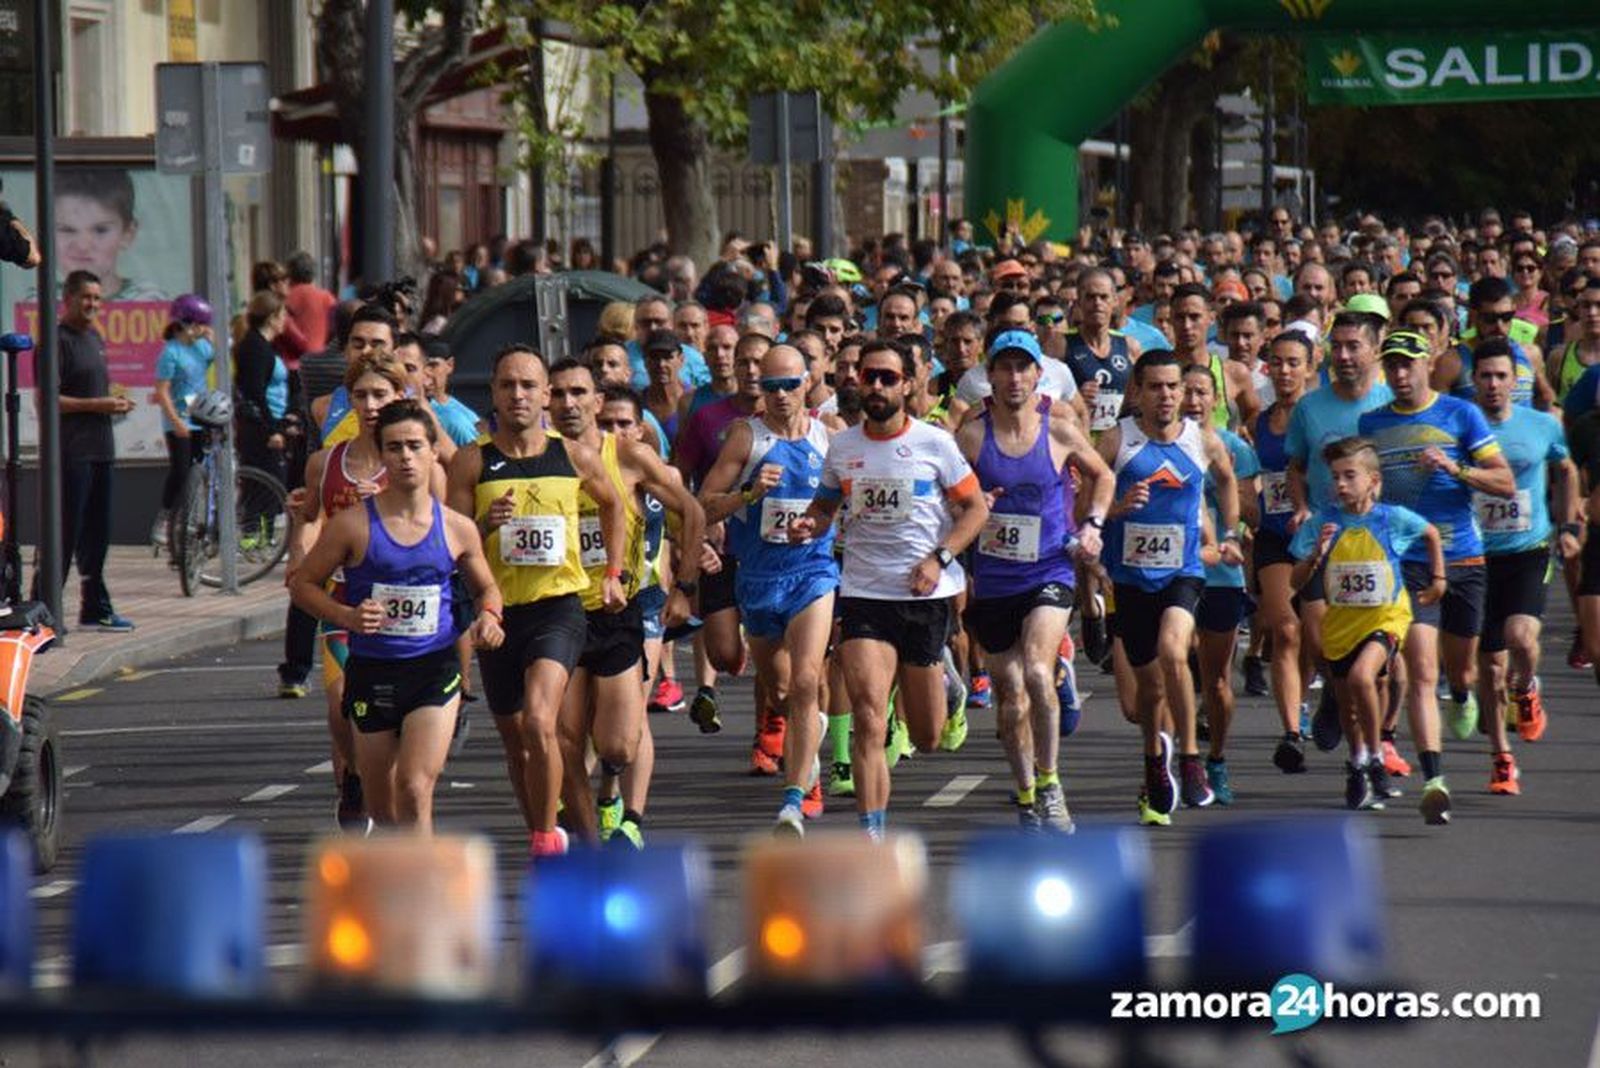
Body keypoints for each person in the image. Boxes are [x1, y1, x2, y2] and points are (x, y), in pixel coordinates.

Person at [790, 338, 987, 840]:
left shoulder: (935, 444)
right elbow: (825, 508)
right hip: (864, 595)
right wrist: (808, 525)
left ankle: (947, 684)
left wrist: (939, 558)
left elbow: (976, 510)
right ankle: (872, 834)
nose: (875, 385)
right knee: (871, 719)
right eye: (867, 376)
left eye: (887, 377)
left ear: (908, 385)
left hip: (924, 597)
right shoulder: (842, 447)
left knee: (927, 735)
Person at [445, 344, 628, 858]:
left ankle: (547, 842)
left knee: (539, 722)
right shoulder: (471, 462)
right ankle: (545, 825)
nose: (519, 395)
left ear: (545, 395)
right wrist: (486, 524)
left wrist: (613, 574)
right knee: (515, 740)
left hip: (558, 607)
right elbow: (452, 543)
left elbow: (614, 504)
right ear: (494, 395)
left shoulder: (571, 455)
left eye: (529, 385)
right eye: (508, 385)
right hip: (499, 613)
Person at [290, 399, 504, 832]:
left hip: (433, 668)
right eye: (394, 448)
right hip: (371, 670)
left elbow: (487, 587)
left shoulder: (456, 527)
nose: (405, 457)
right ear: (383, 456)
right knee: (384, 807)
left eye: (414, 446)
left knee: (413, 786)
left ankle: (423, 894)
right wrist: (346, 616)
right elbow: (302, 585)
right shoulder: (352, 525)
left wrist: (490, 617)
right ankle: (397, 874)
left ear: (431, 451)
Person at [956, 329, 1112, 832]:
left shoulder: (1059, 428)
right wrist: (975, 506)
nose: (1015, 377)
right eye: (1005, 367)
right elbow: (948, 497)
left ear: (1038, 375)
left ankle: (1050, 784)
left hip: (1049, 567)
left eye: (1024, 367)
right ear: (991, 374)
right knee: (1009, 693)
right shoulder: (971, 435)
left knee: (1038, 673)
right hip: (994, 576)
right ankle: (1026, 793)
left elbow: (1102, 475)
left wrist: (1092, 525)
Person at [1358, 329, 1515, 825]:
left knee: (1461, 667)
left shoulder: (1460, 413)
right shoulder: (1372, 423)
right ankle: (1434, 779)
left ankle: (1465, 694)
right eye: (1393, 365)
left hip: (1463, 557)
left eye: (1409, 364)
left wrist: (1456, 467)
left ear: (1428, 363)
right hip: (1407, 560)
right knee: (1423, 670)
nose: (1400, 374)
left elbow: (1505, 482)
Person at [546, 361, 704, 847]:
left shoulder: (630, 458)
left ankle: (611, 792)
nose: (568, 403)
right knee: (566, 740)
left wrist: (684, 588)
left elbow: (691, 511)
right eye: (558, 393)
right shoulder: (540, 457)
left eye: (579, 392)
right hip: (561, 613)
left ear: (596, 401)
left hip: (620, 613)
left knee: (616, 742)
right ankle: (588, 841)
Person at [700, 344, 839, 834]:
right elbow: (703, 507)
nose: (781, 396)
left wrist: (825, 522)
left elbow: (855, 497)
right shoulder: (746, 437)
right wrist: (749, 493)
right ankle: (810, 737)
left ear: (808, 382)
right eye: (771, 387)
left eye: (790, 385)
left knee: (805, 681)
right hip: (758, 580)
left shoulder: (830, 437)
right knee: (781, 691)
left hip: (813, 573)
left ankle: (796, 796)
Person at [1097, 350, 1240, 826]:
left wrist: (1232, 533)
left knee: (1174, 651)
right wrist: (1117, 507)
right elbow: (1084, 505)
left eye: (1173, 387)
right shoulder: (1117, 440)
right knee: (1148, 693)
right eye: (1155, 387)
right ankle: (1154, 762)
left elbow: (1226, 480)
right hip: (1130, 578)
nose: (1166, 396)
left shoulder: (1203, 440)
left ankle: (1190, 758)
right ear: (1137, 391)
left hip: (1183, 570)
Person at [291, 343, 425, 834]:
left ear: (399, 396)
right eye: (361, 395)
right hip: (343, 601)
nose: (370, 406)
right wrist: (300, 556)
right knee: (338, 704)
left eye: (380, 395)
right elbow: (308, 520)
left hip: (401, 603)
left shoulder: (413, 463)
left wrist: (390, 503)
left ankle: (386, 785)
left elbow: (433, 525)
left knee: (394, 717)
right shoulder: (326, 463)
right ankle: (352, 781)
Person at [1289, 437, 1444, 812]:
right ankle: (1359, 761)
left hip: (1386, 617)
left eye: (1350, 476)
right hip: (1341, 624)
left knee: (1362, 678)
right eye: (1335, 477)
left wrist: (1439, 577)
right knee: (1348, 705)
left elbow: (1431, 533)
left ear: (1373, 480)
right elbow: (1295, 581)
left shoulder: (1391, 519)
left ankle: (1374, 756)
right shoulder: (1324, 523)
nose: (1340, 484)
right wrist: (1315, 556)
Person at [1469, 342, 1576, 794]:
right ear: (1473, 381)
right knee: (1489, 668)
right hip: (1475, 556)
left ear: (1516, 381)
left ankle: (1527, 684)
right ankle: (1501, 758)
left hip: (1528, 549)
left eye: (1501, 376)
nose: (1493, 385)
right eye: (1485, 377)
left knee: (1520, 639)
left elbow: (1566, 468)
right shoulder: (1462, 426)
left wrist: (1569, 524)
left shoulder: (1540, 424)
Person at [673, 332, 772, 734]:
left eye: (758, 363)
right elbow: (676, 483)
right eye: (744, 362)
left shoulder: (799, 423)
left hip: (772, 553)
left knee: (777, 657)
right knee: (726, 656)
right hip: (721, 549)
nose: (750, 370)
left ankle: (770, 733)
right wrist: (695, 530)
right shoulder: (707, 418)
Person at [32, 270, 135, 631]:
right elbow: (48, 401)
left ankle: (95, 608)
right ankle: (43, 611)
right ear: (68, 299)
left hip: (101, 449)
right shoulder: (55, 340)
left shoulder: (94, 337)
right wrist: (99, 404)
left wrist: (113, 405)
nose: (92, 304)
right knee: (63, 532)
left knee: (97, 533)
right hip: (71, 452)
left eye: (97, 298)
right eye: (85, 298)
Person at [1181, 362, 1259, 806]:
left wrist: (1232, 535)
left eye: (1201, 393)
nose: (1193, 400)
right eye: (1186, 391)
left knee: (1217, 683)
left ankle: (1218, 759)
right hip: (1175, 571)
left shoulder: (1233, 448)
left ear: (1216, 400)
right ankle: (1178, 759)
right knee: (1179, 655)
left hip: (1222, 573)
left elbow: (1250, 510)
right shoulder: (1163, 444)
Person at [1252, 332, 1316, 772]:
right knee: (1286, 630)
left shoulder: (1319, 417)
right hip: (1274, 535)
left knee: (1319, 636)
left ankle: (1313, 694)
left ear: (1310, 367)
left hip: (1319, 538)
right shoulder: (1259, 420)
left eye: (1294, 362)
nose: (1285, 371)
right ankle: (1292, 732)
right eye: (1277, 363)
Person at [152, 294, 217, 546]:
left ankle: (190, 519)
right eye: (200, 324)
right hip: (178, 421)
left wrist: (214, 341)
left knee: (198, 471)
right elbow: (162, 390)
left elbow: (218, 358)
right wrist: (175, 421)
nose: (203, 329)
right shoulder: (171, 352)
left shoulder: (201, 347)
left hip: (199, 417)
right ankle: (165, 518)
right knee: (180, 471)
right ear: (185, 323)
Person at [51, 168, 166, 301]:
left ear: (128, 234)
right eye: (67, 230)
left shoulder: (149, 302)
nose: (82, 246)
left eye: (100, 230)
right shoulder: (37, 305)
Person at [234, 290, 294, 489]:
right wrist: (271, 430)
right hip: (261, 429)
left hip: (270, 421)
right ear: (272, 318)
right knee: (266, 491)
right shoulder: (255, 347)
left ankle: (262, 522)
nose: (286, 320)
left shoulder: (264, 345)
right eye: (283, 315)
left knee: (273, 487)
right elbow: (256, 392)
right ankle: (259, 523)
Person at [420, 337, 483, 447]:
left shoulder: (462, 412)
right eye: (419, 367)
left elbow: (484, 440)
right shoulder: (412, 406)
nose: (426, 373)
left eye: (432, 365)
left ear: (450, 365)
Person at [285, 251, 337, 354]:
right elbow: (335, 326)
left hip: (294, 357)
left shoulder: (288, 297)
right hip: (321, 354)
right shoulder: (327, 297)